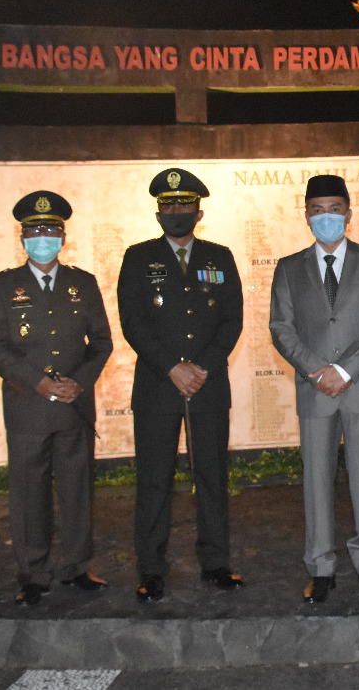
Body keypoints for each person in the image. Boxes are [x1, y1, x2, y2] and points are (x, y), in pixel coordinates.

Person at [0, 191, 114, 606]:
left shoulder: (83, 283)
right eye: (35, 231)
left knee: (77, 488)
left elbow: (103, 343)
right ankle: (32, 572)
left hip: (74, 405)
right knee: (28, 490)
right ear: (22, 238)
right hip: (28, 405)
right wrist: (36, 381)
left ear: (63, 236)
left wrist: (80, 382)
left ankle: (74, 567)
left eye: (51, 230)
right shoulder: (3, 285)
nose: (44, 237)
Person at [118, 168, 245, 602]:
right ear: (157, 212)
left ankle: (216, 563)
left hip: (208, 385)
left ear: (199, 211)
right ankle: (151, 569)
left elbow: (232, 319)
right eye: (168, 206)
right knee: (154, 480)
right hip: (157, 385)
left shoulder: (219, 256)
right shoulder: (137, 258)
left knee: (211, 476)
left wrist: (201, 367)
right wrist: (173, 366)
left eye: (183, 205)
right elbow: (132, 322)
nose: (175, 212)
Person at [269, 174, 359, 603]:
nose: (327, 217)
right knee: (316, 481)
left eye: (335, 209)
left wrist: (343, 370)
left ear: (349, 213)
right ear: (306, 215)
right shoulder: (288, 268)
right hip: (315, 390)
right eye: (318, 210)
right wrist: (316, 371)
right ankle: (320, 567)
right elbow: (281, 329)